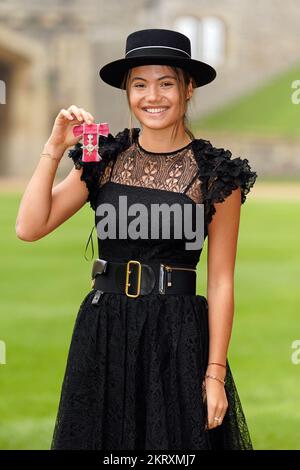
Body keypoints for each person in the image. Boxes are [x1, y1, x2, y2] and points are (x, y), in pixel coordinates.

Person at [16, 28, 257, 450]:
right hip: (104, 328)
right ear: (127, 92)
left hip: (178, 335)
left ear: (188, 89)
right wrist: (53, 150)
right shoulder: (102, 156)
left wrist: (214, 372)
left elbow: (220, 281)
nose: (153, 96)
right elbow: (30, 227)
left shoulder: (218, 172)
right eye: (139, 85)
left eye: (166, 83)